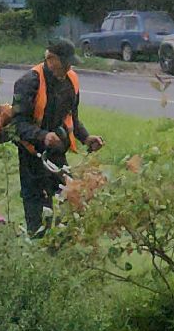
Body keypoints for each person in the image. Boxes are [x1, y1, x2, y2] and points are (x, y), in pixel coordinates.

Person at [11, 41, 104, 237]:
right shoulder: (28, 82)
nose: (69, 68)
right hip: (32, 154)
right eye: (65, 64)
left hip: (56, 151)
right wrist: (43, 136)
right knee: (37, 202)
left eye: (70, 64)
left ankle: (59, 243)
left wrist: (86, 138)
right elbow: (17, 124)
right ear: (51, 60)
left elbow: (71, 117)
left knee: (68, 196)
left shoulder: (71, 80)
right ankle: (37, 243)